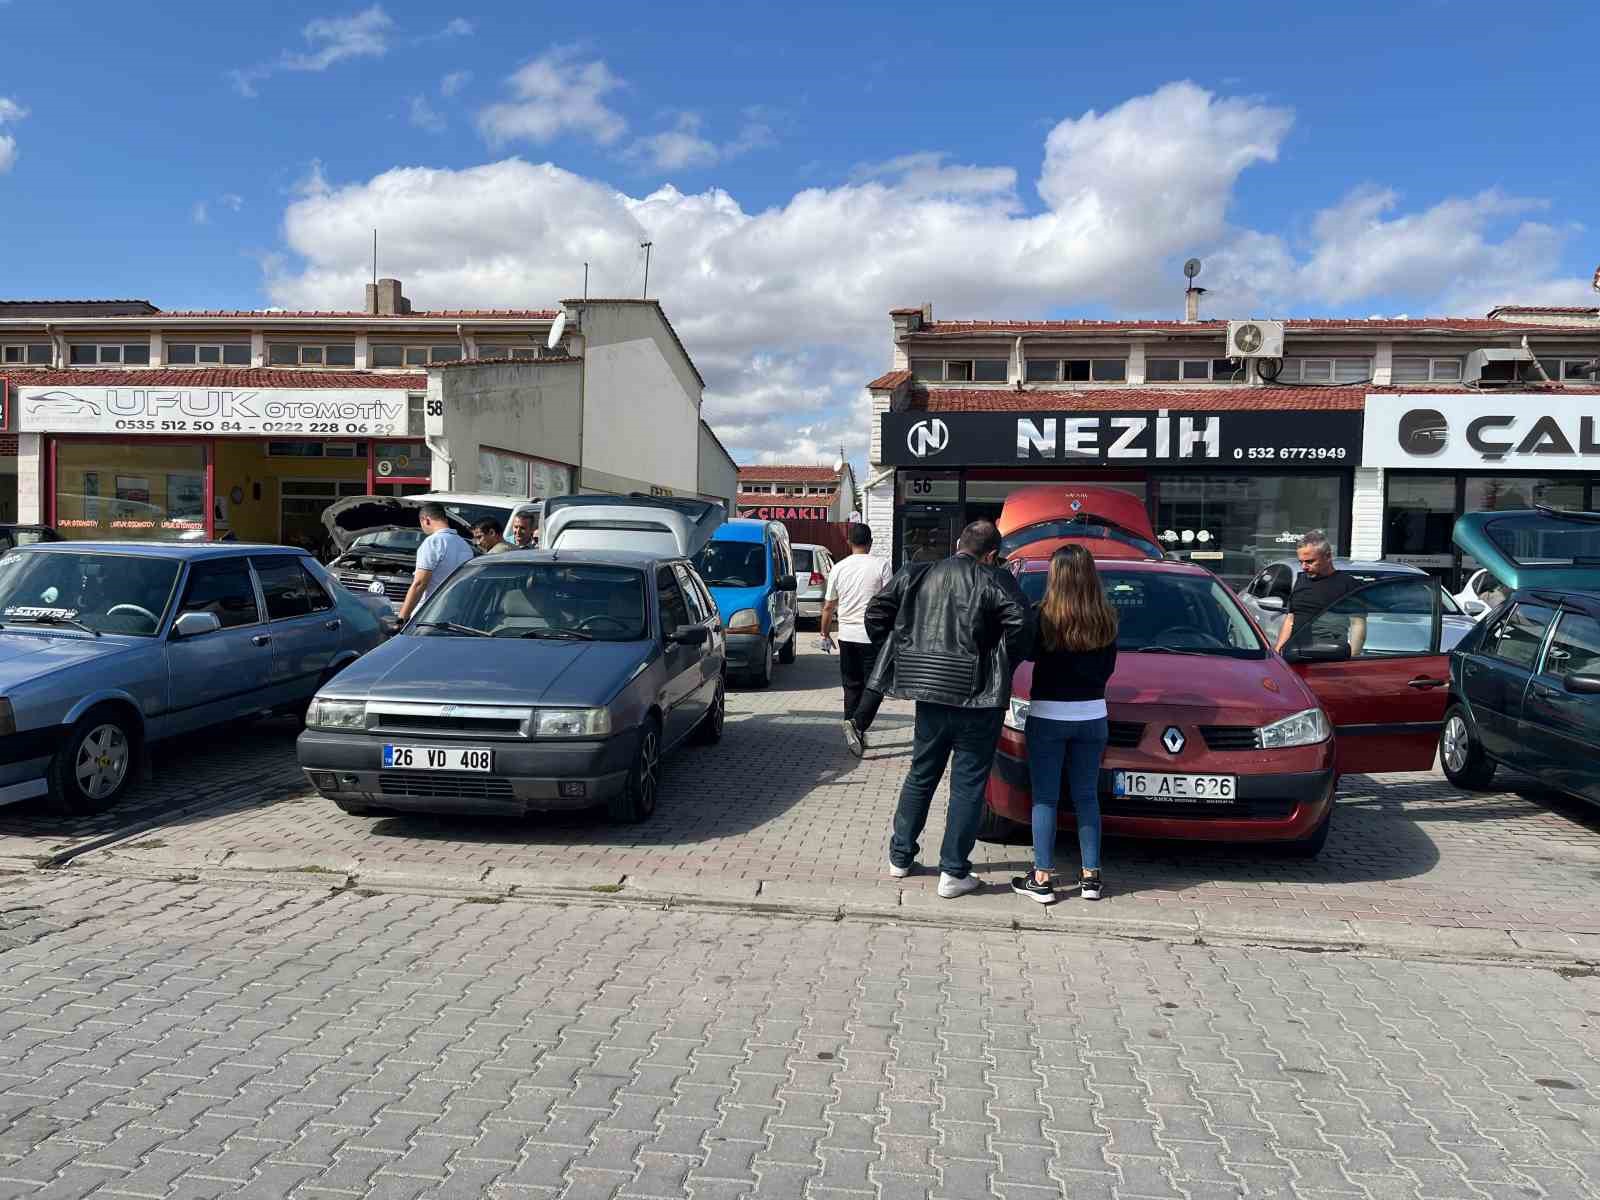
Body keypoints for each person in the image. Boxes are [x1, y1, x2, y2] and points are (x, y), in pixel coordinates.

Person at [865, 520, 1030, 898]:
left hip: (929, 690)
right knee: (968, 784)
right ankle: (953, 871)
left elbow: (875, 615)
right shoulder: (994, 578)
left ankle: (900, 857)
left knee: (921, 774)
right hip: (978, 697)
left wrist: (905, 651)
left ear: (958, 543)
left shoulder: (917, 574)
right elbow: (1022, 623)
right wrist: (1001, 663)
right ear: (991, 555)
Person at [1014, 545, 1118, 905]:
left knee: (1045, 797)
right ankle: (1091, 877)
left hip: (1048, 715)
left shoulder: (1042, 615)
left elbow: (1025, 653)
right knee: (1086, 796)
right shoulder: (1107, 617)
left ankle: (1042, 878)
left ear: (1055, 577)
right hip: (1092, 716)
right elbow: (1108, 670)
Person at [818, 523, 893, 757]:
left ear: (849, 542)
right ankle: (857, 725)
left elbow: (829, 605)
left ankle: (854, 731)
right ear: (870, 543)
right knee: (876, 685)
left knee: (851, 686)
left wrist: (824, 633)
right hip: (873, 635)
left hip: (847, 635)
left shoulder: (839, 568)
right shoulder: (881, 565)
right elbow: (889, 601)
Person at [1273, 530, 1367, 657]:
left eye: (1310, 561)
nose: (1304, 567)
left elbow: (1357, 625)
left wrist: (1352, 659)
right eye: (1301, 562)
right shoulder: (1301, 579)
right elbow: (1291, 618)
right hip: (1295, 654)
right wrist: (1279, 650)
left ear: (1328, 557)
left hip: (1328, 657)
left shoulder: (1348, 584)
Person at [396, 503, 473, 623]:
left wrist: (401, 618)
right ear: (445, 519)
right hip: (455, 616)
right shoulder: (465, 545)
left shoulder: (433, 542)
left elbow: (420, 583)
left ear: (426, 520)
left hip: (428, 616)